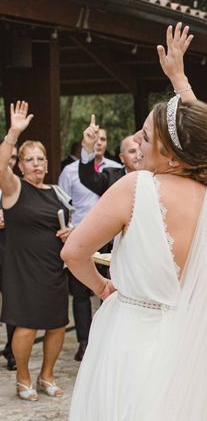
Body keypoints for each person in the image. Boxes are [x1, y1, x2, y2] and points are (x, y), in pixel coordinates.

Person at [64, 23, 207, 420]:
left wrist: (103, 287)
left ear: (173, 157)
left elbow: (73, 251)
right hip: (194, 349)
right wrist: (180, 83)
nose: (137, 145)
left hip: (132, 341)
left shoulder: (136, 187)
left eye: (145, 138)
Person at [0, 103, 73, 401]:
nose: (37, 164)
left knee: (57, 325)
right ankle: (23, 377)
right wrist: (14, 133)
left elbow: (71, 226)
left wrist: (71, 234)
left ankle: (47, 375)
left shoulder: (56, 192)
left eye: (41, 158)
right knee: (27, 326)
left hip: (54, 267)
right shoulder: (14, 188)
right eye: (29, 160)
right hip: (22, 269)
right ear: (20, 165)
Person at [58, 123, 122, 362]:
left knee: (112, 289)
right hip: (82, 237)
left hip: (112, 239)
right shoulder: (71, 171)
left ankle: (109, 339)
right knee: (81, 293)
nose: (99, 143)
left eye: (103, 139)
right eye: (96, 139)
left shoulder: (117, 170)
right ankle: (84, 341)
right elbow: (63, 204)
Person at [79, 119, 140, 196]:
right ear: (122, 158)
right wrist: (88, 148)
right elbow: (88, 178)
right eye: (132, 151)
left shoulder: (154, 175)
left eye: (141, 151)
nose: (138, 155)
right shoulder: (111, 178)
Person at [0, 145, 18, 371]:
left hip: (11, 254)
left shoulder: (20, 188)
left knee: (13, 302)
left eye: (14, 157)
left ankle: (12, 351)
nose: (10, 161)